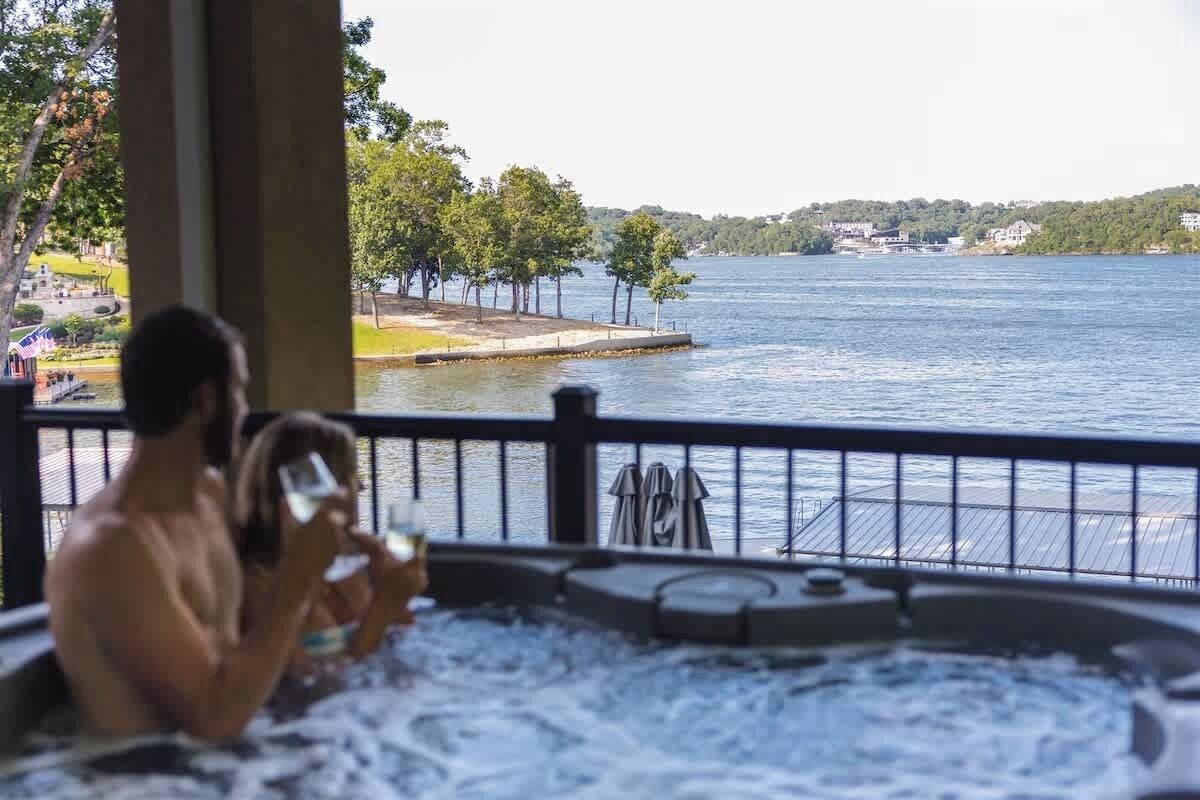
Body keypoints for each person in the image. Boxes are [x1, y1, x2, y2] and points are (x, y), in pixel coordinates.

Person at [44, 306, 345, 741]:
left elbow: (247, 640)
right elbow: (210, 720)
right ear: (206, 401)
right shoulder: (112, 548)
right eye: (239, 391)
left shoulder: (209, 496)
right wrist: (296, 578)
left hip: (233, 754)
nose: (244, 409)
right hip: (147, 768)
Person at [234, 412, 426, 666]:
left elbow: (399, 648)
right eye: (349, 474)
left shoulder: (345, 570)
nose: (360, 486)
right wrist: (385, 604)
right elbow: (318, 681)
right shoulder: (260, 587)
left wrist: (395, 595)